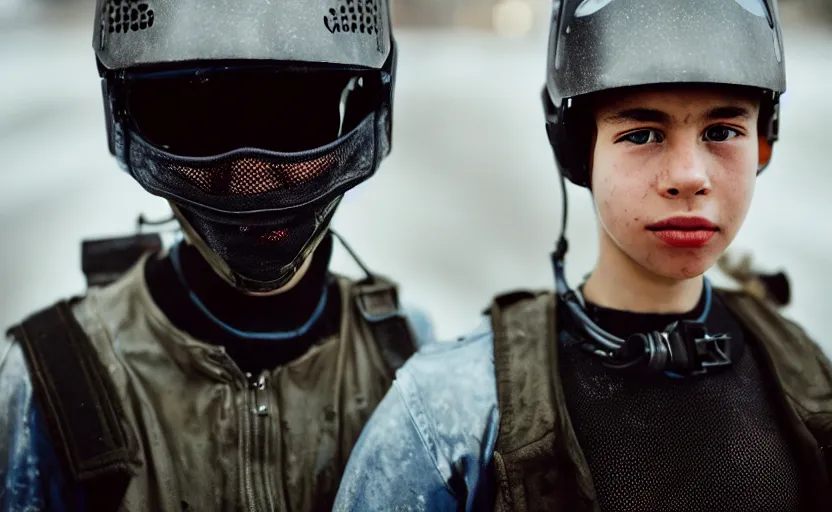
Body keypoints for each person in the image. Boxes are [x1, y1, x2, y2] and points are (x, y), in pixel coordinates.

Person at [334, 0, 832, 510]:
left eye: (722, 132)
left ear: (763, 143)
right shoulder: (453, 410)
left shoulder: (809, 376)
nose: (689, 176)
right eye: (642, 134)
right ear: (577, 151)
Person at [0, 0, 432, 510]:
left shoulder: (409, 364)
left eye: (295, 119)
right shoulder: (53, 384)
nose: (251, 175)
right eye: (199, 121)